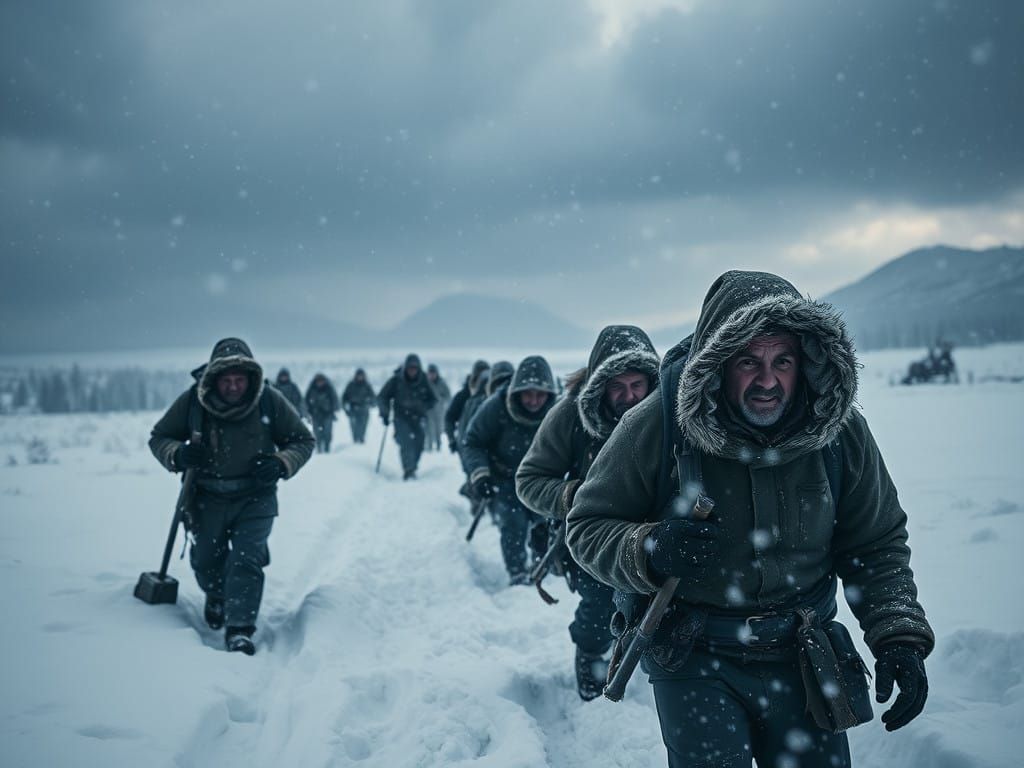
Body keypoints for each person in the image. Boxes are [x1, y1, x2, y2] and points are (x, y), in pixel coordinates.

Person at [566, 271, 933, 767]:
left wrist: (897, 635)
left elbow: (876, 540)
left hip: (803, 655)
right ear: (718, 364)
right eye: (748, 361)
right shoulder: (656, 424)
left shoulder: (839, 433)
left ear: (804, 364)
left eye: (782, 361)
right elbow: (587, 526)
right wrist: (649, 549)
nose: (767, 380)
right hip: (695, 654)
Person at [516, 325, 660, 701]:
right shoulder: (570, 416)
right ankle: (592, 669)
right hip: (591, 539)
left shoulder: (668, 412)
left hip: (654, 537)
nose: (629, 396)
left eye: (637, 386)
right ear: (601, 385)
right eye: (618, 387)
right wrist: (576, 496)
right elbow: (529, 479)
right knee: (599, 612)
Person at [149, 338, 314, 654]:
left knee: (245, 559)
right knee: (206, 560)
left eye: (240, 380)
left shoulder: (269, 401)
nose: (234, 386)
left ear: (250, 377)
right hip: (205, 497)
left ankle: (240, 629)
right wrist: (178, 455)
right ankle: (217, 595)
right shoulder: (194, 402)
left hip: (256, 497)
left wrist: (281, 463)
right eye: (227, 380)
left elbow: (302, 441)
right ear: (214, 379)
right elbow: (160, 437)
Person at [462, 356, 557, 585]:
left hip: (541, 480)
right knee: (513, 524)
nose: (534, 401)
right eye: (528, 393)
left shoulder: (557, 411)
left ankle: (541, 566)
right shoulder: (496, 406)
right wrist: (480, 474)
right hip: (505, 478)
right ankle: (517, 572)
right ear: (517, 391)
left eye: (540, 394)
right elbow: (473, 441)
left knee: (544, 525)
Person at [378, 353, 437, 480]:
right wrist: (385, 413)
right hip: (401, 417)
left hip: (418, 417)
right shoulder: (396, 380)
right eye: (410, 368)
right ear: (406, 368)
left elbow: (433, 399)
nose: (412, 371)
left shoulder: (424, 380)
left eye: (415, 368)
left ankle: (413, 465)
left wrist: (423, 407)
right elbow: (382, 397)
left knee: (419, 442)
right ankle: (408, 469)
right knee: (406, 442)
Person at [304, 373, 339, 453]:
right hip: (315, 415)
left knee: (327, 433)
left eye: (321, 381)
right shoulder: (311, 390)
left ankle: (327, 448)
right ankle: (319, 448)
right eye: (318, 381)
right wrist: (308, 412)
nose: (320, 383)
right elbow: (306, 402)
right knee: (317, 433)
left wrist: (333, 410)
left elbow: (334, 400)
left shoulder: (329, 389)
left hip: (327, 414)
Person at [341, 368, 376, 444]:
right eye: (359, 376)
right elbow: (344, 397)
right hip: (353, 409)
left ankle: (361, 439)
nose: (360, 377)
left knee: (363, 425)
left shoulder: (367, 385)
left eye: (361, 376)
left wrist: (371, 403)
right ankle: (355, 440)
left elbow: (373, 396)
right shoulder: (351, 385)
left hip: (364, 408)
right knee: (354, 426)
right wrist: (345, 407)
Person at [424, 364, 451, 452]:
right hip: (428, 410)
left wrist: (441, 400)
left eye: (433, 373)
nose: (432, 375)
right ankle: (429, 447)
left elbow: (448, 395)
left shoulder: (441, 383)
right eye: (430, 373)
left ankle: (439, 446)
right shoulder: (425, 383)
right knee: (429, 429)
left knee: (438, 429)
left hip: (439, 411)